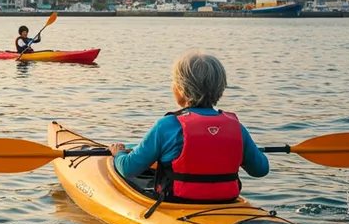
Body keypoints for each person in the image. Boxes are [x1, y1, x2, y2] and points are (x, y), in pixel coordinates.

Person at [108, 50, 269, 213]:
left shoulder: (167, 125)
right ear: (220, 87)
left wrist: (118, 154)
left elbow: (128, 168)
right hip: (226, 203)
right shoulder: (236, 128)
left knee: (123, 172)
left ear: (180, 89)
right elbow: (260, 170)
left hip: (178, 202)